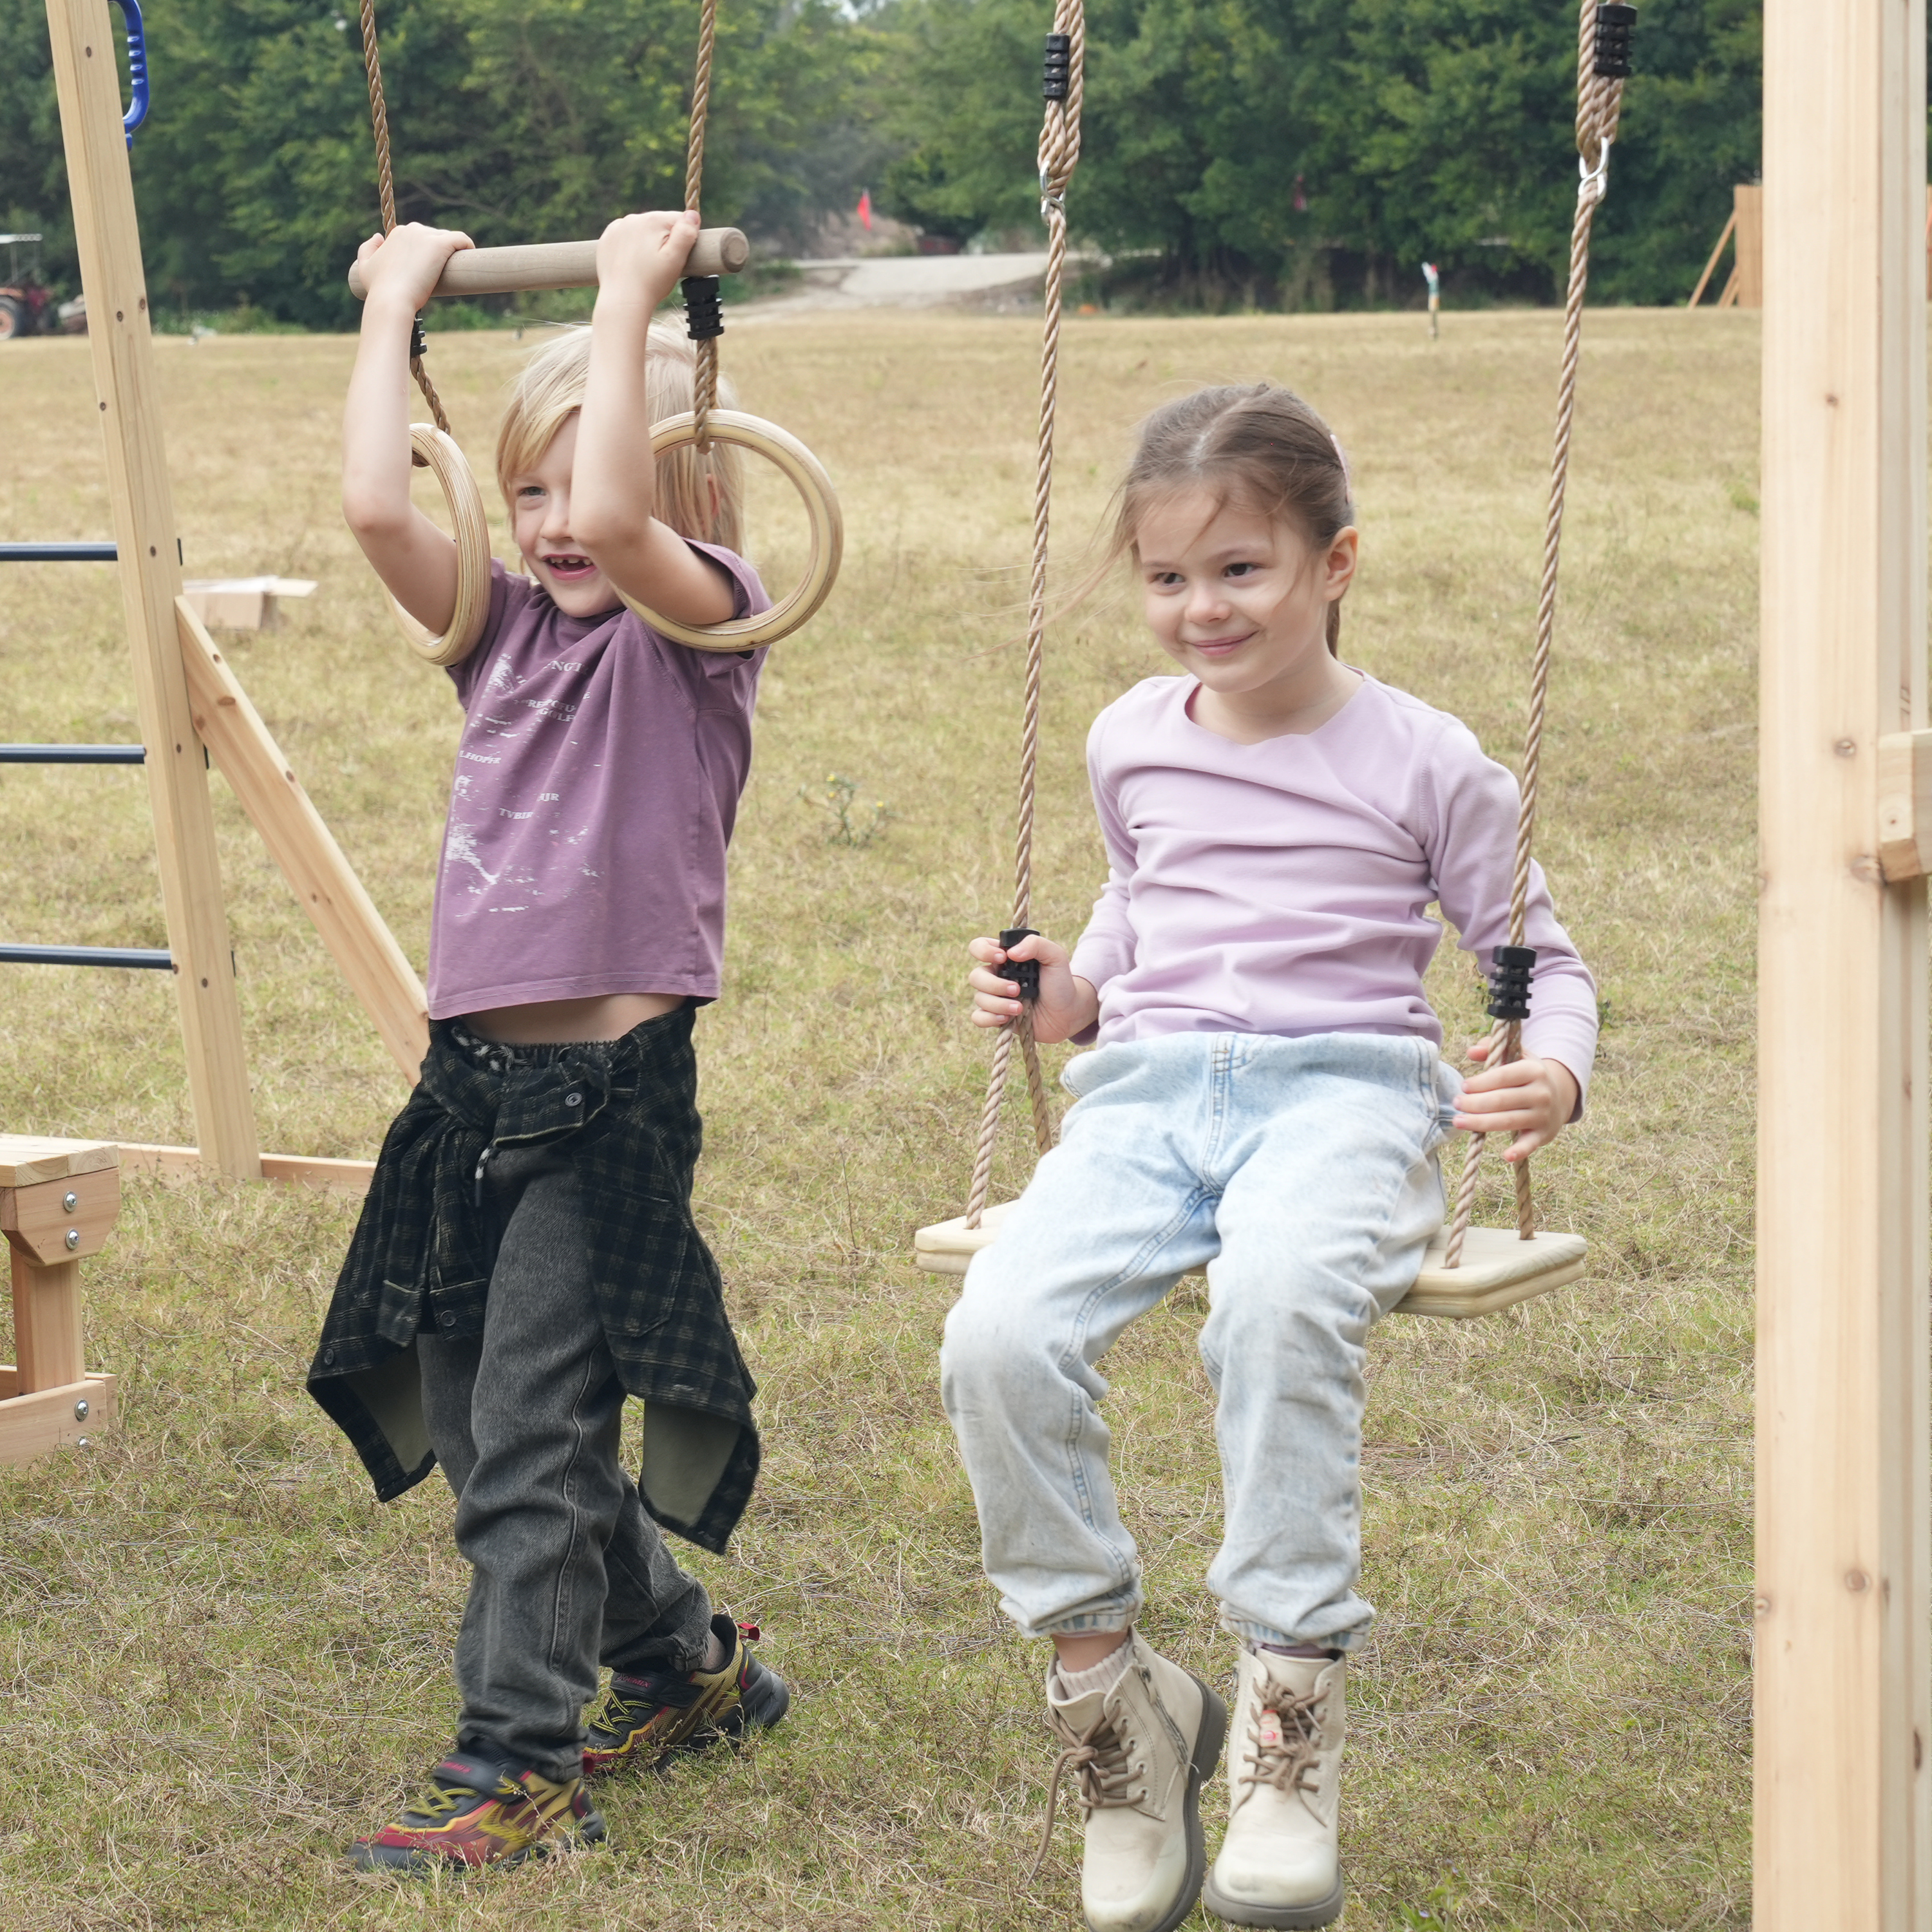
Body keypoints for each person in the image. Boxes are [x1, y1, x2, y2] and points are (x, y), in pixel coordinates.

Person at [942, 384, 1597, 1931]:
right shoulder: (1128, 739)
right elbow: (1135, 906)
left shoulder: (1433, 764)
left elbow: (1536, 962)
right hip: (1146, 1095)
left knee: (1281, 1304)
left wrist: (1555, 1069)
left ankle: (1290, 1724)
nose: (1201, 609)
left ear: (1335, 562)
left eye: (1241, 570)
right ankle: (1113, 1698)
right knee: (997, 1334)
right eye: (1168, 578)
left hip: (1346, 1096)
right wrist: (1069, 995)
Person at [307, 211, 788, 1876]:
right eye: (526, 492)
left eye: (588, 489)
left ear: (691, 499)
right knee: (485, 1411)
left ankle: (518, 1759)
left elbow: (619, 521)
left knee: (527, 1429)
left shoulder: (704, 628)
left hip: (611, 1107)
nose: (552, 526)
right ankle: (679, 1663)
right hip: (473, 1093)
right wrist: (392, 312)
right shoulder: (501, 637)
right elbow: (380, 501)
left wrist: (633, 295)